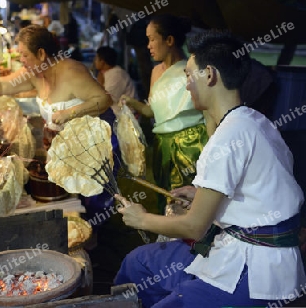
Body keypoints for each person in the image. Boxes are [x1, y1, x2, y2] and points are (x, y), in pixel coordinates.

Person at [113, 29, 306, 308]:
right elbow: (256, 187)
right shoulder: (255, 121)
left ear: (210, 75)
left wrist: (141, 219)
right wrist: (198, 192)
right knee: (138, 262)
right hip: (242, 247)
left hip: (257, 269)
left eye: (189, 76)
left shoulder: (229, 136)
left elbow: (194, 226)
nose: (187, 85)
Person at [0, 25, 118, 225]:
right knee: (76, 197)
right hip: (69, 147)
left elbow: (103, 100)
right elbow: (2, 85)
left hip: (95, 146)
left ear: (41, 53)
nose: (21, 60)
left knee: (95, 202)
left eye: (24, 55)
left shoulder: (72, 71)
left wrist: (70, 113)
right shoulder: (35, 75)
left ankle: (98, 241)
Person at [119, 14, 210, 223]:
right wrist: (132, 103)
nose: (148, 45)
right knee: (165, 197)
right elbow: (153, 112)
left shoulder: (193, 69)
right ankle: (170, 242)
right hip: (162, 146)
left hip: (190, 144)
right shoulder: (155, 72)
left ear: (169, 40)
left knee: (186, 201)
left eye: (152, 39)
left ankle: (191, 243)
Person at [94, 46, 137, 115]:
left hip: (123, 115)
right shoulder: (105, 73)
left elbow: (106, 99)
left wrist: (100, 84)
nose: (94, 61)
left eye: (96, 58)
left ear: (102, 61)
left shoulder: (117, 75)